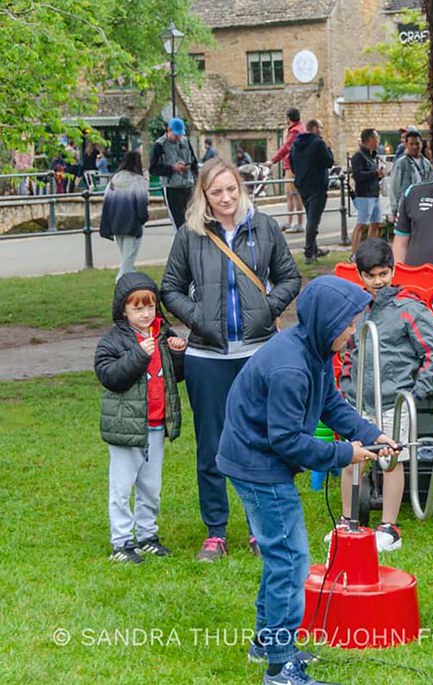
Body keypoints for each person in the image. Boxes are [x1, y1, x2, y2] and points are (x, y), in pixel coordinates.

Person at [216, 276, 398, 685]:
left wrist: (370, 434)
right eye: (347, 325)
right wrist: (343, 454)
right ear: (325, 322)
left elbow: (330, 403)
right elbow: (287, 442)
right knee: (291, 560)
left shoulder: (313, 350)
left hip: (260, 459)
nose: (352, 332)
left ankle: (266, 642)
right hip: (257, 465)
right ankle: (280, 667)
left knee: (282, 556)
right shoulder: (290, 366)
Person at [160, 158, 301, 561]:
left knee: (260, 440)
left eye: (231, 190)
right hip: (208, 356)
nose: (225, 198)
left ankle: (261, 529)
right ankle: (216, 530)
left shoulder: (265, 227)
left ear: (241, 188)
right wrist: (198, 318)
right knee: (213, 445)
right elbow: (170, 288)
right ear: (203, 195)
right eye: (216, 192)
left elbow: (290, 276)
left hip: (257, 353)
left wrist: (266, 310)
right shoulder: (191, 235)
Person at [332, 238, 433, 552]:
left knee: (392, 460)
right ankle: (347, 519)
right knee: (351, 459)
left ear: (393, 271)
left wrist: (415, 392)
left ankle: (389, 525)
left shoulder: (409, 308)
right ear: (360, 275)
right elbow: (344, 351)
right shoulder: (353, 309)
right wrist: (345, 388)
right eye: (371, 275)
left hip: (396, 400)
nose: (378, 281)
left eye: (384, 273)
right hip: (358, 400)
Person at [95, 273, 187, 564]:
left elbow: (176, 376)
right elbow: (110, 376)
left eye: (150, 306)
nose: (145, 313)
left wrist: (179, 354)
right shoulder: (113, 341)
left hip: (157, 424)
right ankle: (121, 541)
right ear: (123, 310)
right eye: (138, 308)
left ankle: (147, 535)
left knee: (151, 485)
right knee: (122, 487)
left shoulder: (163, 334)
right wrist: (138, 355)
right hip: (127, 427)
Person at [289, 119, 335, 265]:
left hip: (302, 185)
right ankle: (309, 252)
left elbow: (292, 165)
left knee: (310, 216)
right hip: (317, 185)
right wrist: (328, 148)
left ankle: (314, 249)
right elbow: (329, 162)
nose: (322, 130)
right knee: (313, 220)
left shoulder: (295, 145)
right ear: (314, 128)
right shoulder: (318, 143)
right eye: (321, 127)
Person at [99, 151, 150, 281]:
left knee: (126, 258)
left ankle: (129, 282)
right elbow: (142, 205)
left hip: (116, 224)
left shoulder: (114, 180)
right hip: (132, 225)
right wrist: (143, 220)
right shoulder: (139, 181)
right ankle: (122, 284)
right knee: (128, 260)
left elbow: (107, 203)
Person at [149, 117, 198, 231]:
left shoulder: (185, 142)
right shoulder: (159, 145)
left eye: (180, 135)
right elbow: (153, 169)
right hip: (171, 187)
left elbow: (194, 162)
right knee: (178, 221)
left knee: (192, 218)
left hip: (188, 184)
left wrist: (195, 176)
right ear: (169, 131)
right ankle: (180, 242)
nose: (178, 138)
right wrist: (172, 168)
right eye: (176, 135)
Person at [266, 107, 305, 233]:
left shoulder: (295, 131)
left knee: (294, 195)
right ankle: (290, 221)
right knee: (290, 195)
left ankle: (298, 223)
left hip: (292, 167)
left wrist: (273, 161)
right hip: (292, 165)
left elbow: (286, 148)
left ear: (289, 118)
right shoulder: (299, 128)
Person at [350, 128, 384, 251]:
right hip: (364, 195)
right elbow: (358, 175)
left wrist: (379, 176)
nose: (378, 141)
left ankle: (370, 250)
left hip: (374, 194)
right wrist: (375, 173)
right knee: (362, 224)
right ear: (370, 139)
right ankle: (354, 252)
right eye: (376, 138)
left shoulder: (372, 156)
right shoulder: (358, 157)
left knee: (375, 223)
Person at [389, 128, 433, 215]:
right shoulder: (401, 163)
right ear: (406, 145)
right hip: (406, 205)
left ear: (421, 144)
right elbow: (394, 187)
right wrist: (394, 209)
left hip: (423, 205)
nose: (414, 147)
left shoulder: (426, 163)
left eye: (417, 144)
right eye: (411, 144)